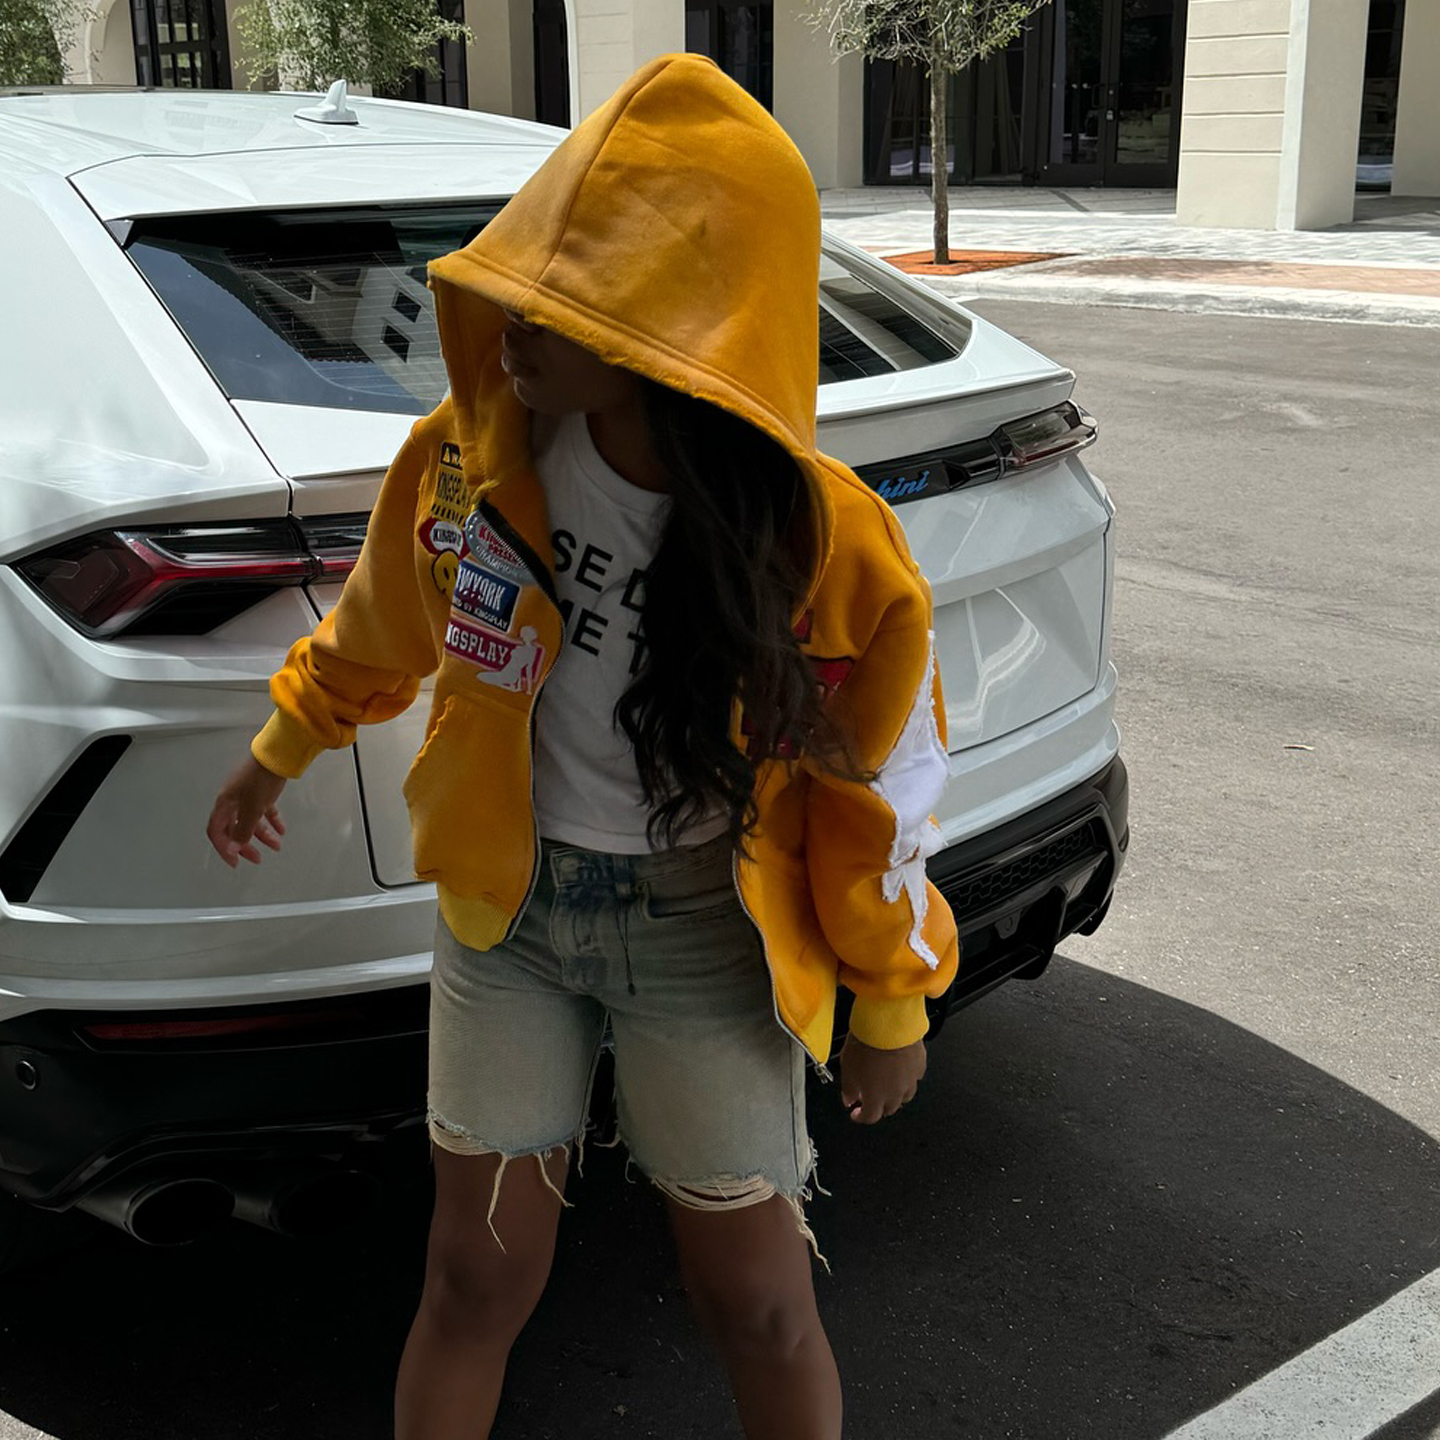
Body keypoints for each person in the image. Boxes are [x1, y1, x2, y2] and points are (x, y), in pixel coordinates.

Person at [205, 53, 959, 1440]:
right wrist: (281, 746)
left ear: (680, 318)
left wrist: (893, 995)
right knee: (470, 1278)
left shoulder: (825, 545)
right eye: (517, 277)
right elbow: (382, 622)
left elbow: (885, 788)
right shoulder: (469, 458)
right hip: (509, 919)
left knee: (758, 1303)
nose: (511, 316)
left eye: (566, 294)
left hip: (704, 933)